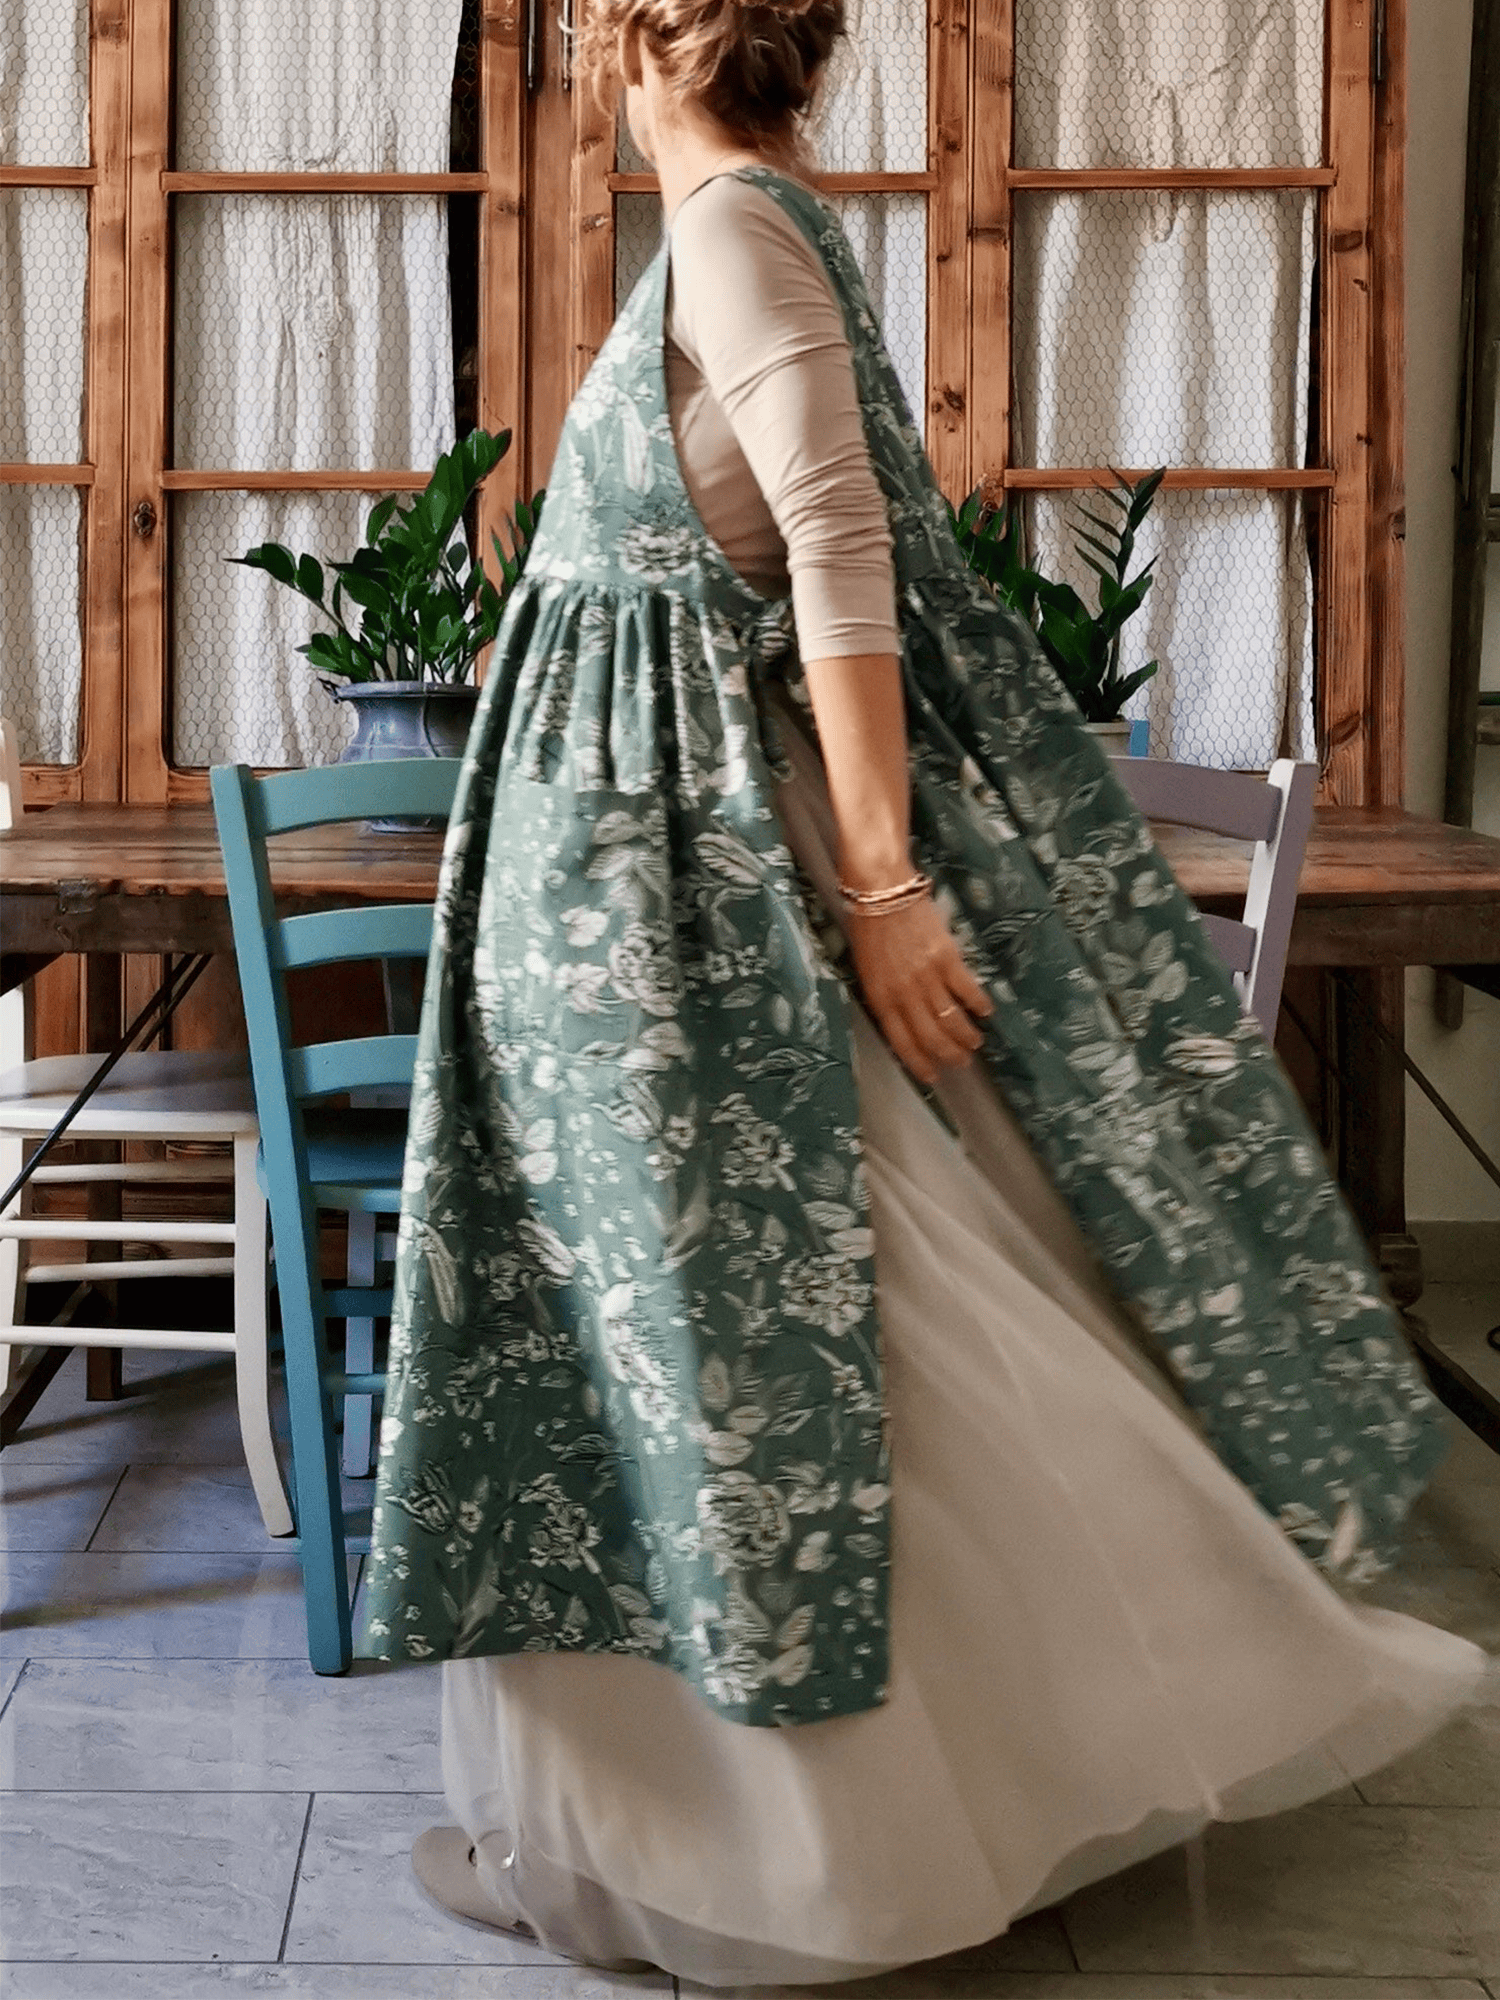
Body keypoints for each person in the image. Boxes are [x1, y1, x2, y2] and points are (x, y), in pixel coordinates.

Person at [358, 0, 1495, 1978]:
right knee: (725, 1341)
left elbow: (837, 549)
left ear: (629, 37)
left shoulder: (735, 233)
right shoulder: (746, 229)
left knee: (711, 1351)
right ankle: (727, 1827)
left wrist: (883, 885)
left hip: (683, 915)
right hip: (641, 906)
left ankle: (743, 1854)